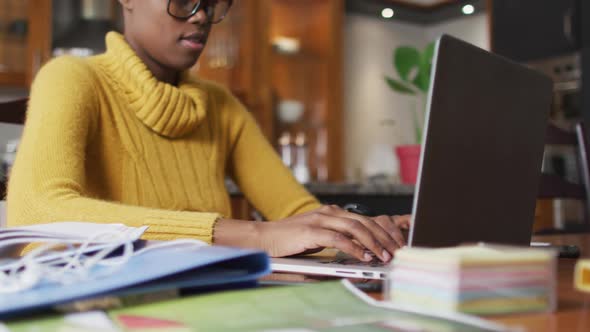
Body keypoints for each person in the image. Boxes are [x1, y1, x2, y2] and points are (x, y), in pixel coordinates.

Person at [7, 0, 410, 263]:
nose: (201, 15)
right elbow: (40, 212)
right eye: (183, 1)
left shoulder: (220, 103)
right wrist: (254, 234)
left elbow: (294, 214)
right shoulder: (71, 77)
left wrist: (359, 235)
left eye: (213, 3)